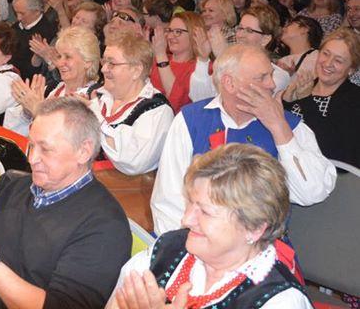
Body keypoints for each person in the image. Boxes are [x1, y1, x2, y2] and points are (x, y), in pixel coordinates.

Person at [0, 97, 132, 308]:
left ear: (83, 151)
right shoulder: (14, 188)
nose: (32, 159)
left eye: (45, 149)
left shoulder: (105, 225)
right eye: (31, 145)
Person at [151, 44, 337, 234]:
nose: (272, 85)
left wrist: (278, 127)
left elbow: (311, 193)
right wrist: (190, 244)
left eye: (271, 75)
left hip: (260, 243)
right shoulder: (191, 119)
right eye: (262, 78)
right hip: (198, 238)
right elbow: (169, 201)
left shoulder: (291, 127)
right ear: (229, 83)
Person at [109, 144, 312, 309]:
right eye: (190, 203)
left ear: (255, 228)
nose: (186, 220)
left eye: (205, 212)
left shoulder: (280, 301)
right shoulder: (167, 249)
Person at [91, 32, 174, 175]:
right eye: (104, 62)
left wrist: (94, 116)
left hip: (123, 189)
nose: (103, 69)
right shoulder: (97, 95)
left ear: (136, 70)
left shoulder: (157, 110)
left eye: (112, 63)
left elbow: (133, 162)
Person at [284, 28, 360, 167]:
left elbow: (335, 152)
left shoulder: (354, 100)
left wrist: (307, 100)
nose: (328, 63)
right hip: (285, 162)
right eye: (326, 54)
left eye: (338, 60)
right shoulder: (304, 86)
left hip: (323, 174)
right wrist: (286, 102)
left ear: (351, 69)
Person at [8, 26, 101, 135]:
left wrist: (37, 111)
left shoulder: (95, 100)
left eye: (68, 57)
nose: (60, 63)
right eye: (59, 56)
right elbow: (12, 132)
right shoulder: (51, 88)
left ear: (87, 62)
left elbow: (70, 139)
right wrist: (27, 112)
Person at [190, 5, 291, 102]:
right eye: (240, 28)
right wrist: (203, 60)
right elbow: (199, 98)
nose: (240, 35)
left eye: (249, 30)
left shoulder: (278, 75)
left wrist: (223, 54)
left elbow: (243, 102)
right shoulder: (230, 65)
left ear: (265, 39)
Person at [150, 12, 205, 113]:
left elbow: (177, 102)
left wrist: (161, 55)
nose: (170, 36)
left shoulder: (200, 68)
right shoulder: (161, 59)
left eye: (178, 32)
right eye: (169, 31)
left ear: (194, 35)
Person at [11, 0, 58, 79]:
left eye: (22, 13)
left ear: (37, 12)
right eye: (16, 13)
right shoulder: (16, 27)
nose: (18, 18)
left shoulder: (46, 32)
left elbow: (34, 71)